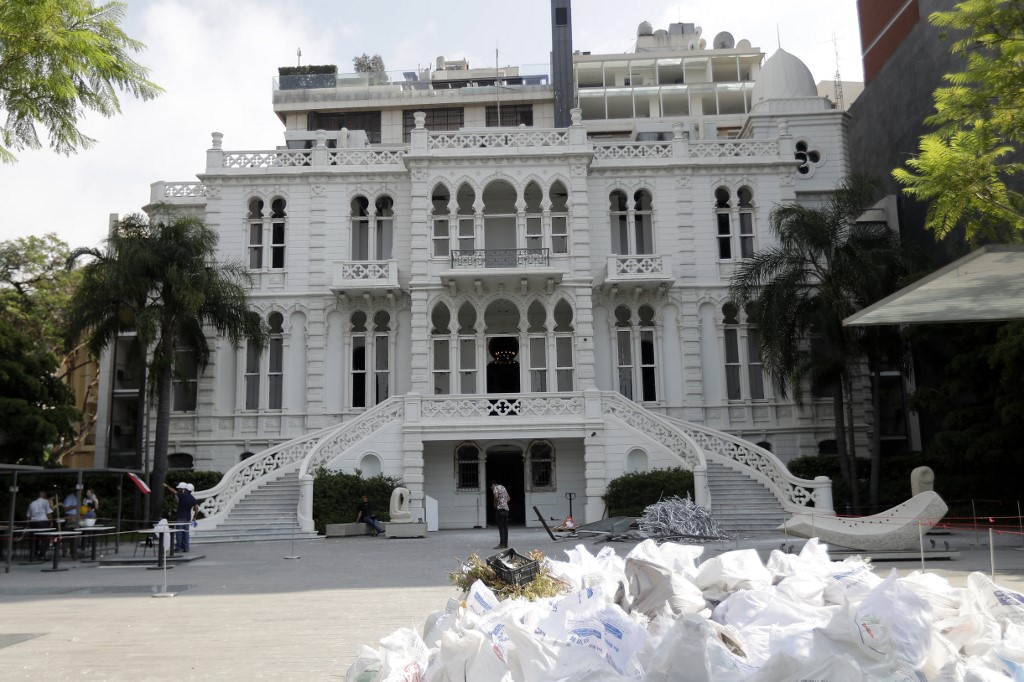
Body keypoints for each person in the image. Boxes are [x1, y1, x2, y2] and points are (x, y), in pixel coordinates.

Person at [163, 482, 197, 552]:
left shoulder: (182, 496)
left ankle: (178, 547)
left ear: (186, 489)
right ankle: (186, 547)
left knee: (179, 532)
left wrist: (167, 486)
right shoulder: (193, 498)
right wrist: (194, 517)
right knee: (186, 533)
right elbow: (196, 508)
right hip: (188, 518)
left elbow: (174, 491)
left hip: (180, 517)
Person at [26, 490, 54, 560]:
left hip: (33, 522)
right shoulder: (45, 502)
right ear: (44, 495)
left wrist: (28, 524)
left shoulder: (32, 503)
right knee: (45, 538)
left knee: (34, 539)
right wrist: (51, 522)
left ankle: (33, 554)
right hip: (43, 521)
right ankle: (42, 555)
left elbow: (28, 516)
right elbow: (48, 513)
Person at [490, 480, 509, 550]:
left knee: (501, 527)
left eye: (491, 487)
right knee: (505, 527)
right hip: (506, 509)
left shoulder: (495, 488)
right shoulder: (503, 488)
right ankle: (506, 544)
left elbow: (496, 497)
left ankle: (502, 544)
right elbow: (508, 498)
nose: (492, 489)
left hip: (500, 509)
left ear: (493, 485)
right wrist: (504, 502)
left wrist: (495, 503)